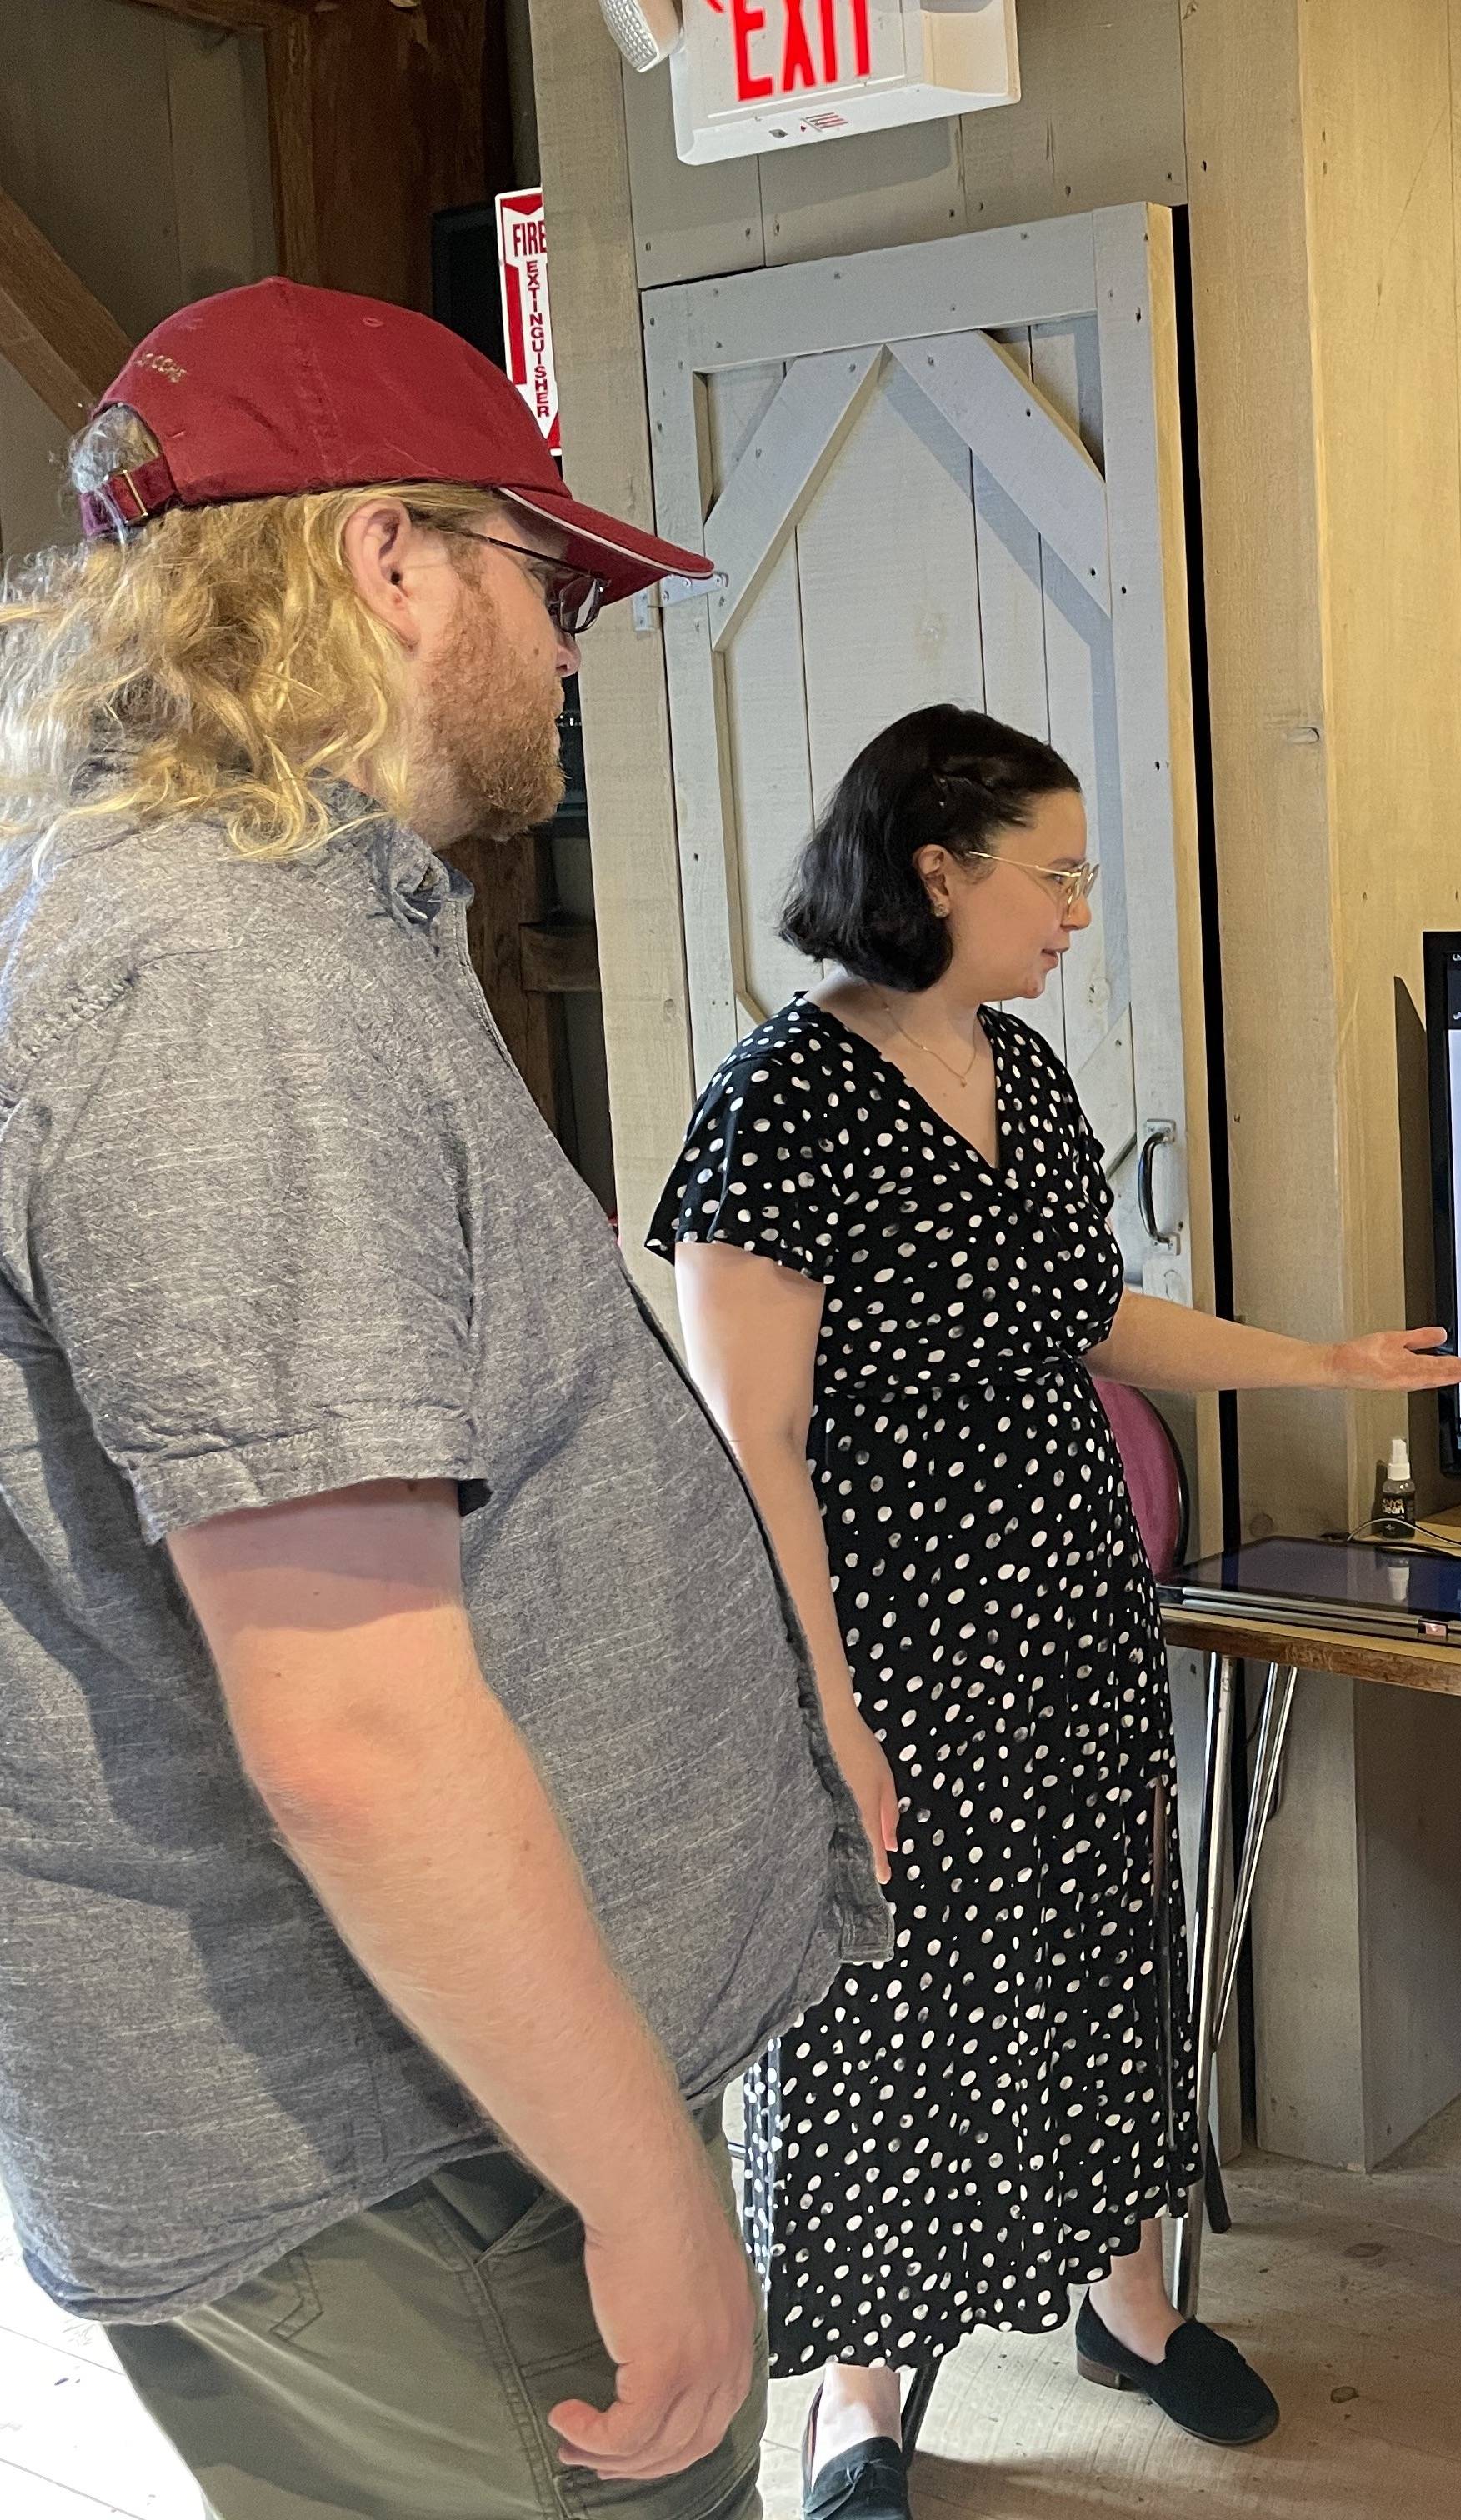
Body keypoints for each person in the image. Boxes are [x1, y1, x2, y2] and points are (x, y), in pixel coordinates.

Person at [0, 281, 891, 2517]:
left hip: (442, 2120)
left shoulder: (254, 929)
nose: (577, 642)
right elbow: (355, 1727)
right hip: (403, 2162)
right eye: (551, 574)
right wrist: (650, 2198)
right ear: (387, 561)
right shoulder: (229, 990)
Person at [654, 702, 1461, 2518]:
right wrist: (831, 1716)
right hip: (876, 1637)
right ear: (936, 872)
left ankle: (1129, 2305)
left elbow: (1093, 1316)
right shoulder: (779, 1104)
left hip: (1061, 1610)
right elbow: (759, 1447)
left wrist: (1322, 1359)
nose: (1077, 913)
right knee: (881, 2002)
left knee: (1103, 1953)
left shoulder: (1020, 1074)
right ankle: (859, 2404)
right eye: (1056, 876)